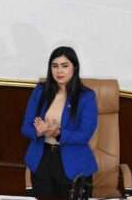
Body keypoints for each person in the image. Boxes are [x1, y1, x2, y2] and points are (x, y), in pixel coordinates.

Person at [21, 46, 98, 199]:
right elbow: (25, 127)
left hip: (72, 162)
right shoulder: (40, 91)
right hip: (42, 159)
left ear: (74, 68)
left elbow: (85, 134)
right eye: (55, 66)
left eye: (64, 66)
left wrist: (59, 133)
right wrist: (38, 132)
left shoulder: (86, 96)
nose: (59, 71)